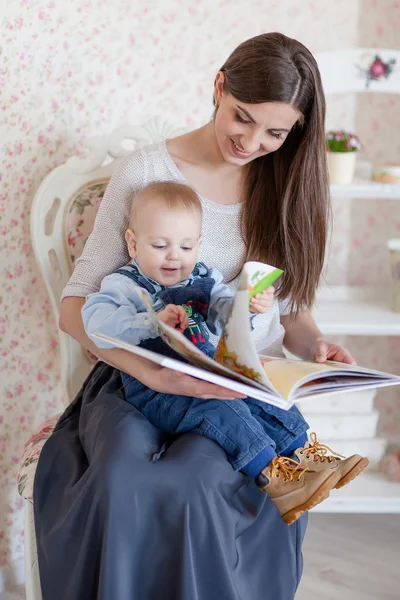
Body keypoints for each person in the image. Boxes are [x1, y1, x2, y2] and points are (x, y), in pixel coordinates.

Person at [34, 32, 359, 600]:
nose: (253, 142)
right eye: (243, 118)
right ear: (219, 86)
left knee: (202, 478)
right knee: (122, 477)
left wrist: (315, 345)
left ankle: (296, 475)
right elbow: (74, 306)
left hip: (238, 382)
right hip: (140, 379)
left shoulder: (283, 187)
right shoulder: (146, 173)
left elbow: (292, 309)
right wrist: (151, 373)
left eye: (276, 133)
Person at [82, 180, 368, 525]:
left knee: (262, 393)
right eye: (160, 245)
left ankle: (306, 453)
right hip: (159, 388)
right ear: (133, 243)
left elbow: (223, 314)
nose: (174, 256)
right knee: (221, 412)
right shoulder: (124, 284)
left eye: (186, 247)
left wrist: (249, 306)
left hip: (211, 370)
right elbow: (94, 320)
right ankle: (274, 477)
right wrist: (150, 321)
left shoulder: (203, 277)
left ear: (199, 245)